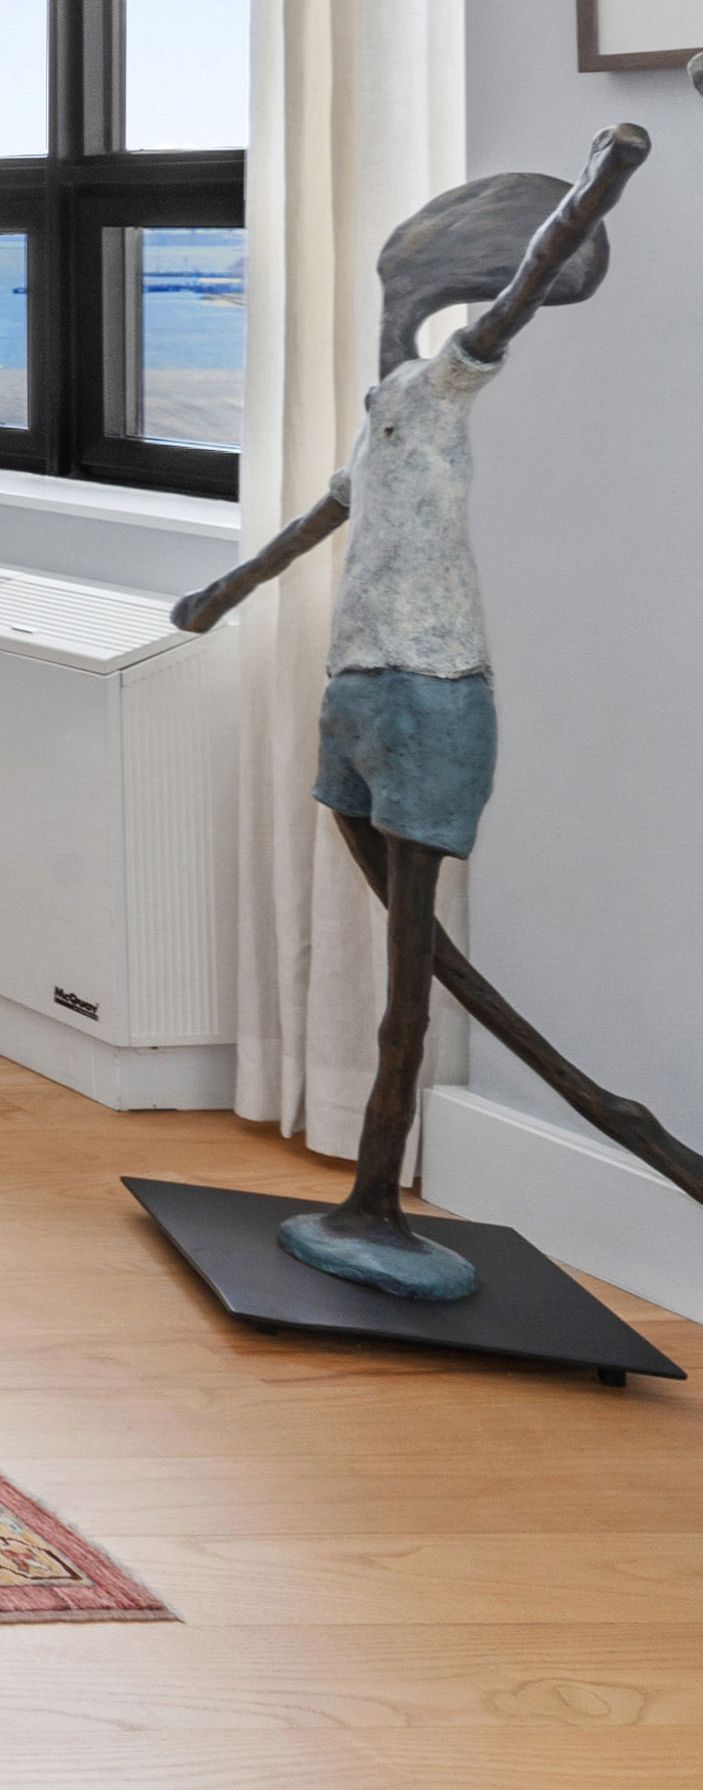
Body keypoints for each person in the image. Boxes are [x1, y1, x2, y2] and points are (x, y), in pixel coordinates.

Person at [174, 117, 703, 1301]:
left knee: (411, 976)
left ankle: (379, 1196)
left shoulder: (444, 379)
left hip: (430, 688)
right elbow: (308, 529)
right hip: (358, 690)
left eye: (407, 297)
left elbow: (519, 291)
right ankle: (423, 1177)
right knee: (417, 945)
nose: (393, 320)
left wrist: (603, 182)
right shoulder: (377, 422)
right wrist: (219, 596)